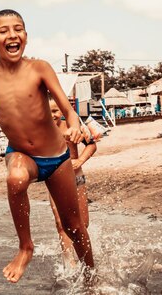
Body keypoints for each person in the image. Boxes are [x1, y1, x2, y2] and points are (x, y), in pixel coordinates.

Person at [0, 9, 94, 283]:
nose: (12, 35)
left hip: (57, 160)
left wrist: (74, 123)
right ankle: (25, 247)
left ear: (26, 36)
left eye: (18, 29)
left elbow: (66, 107)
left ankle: (93, 278)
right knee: (16, 177)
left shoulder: (39, 68)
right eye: (3, 31)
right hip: (23, 155)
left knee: (74, 228)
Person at [48, 99, 97, 266]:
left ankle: (84, 258)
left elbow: (91, 145)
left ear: (62, 111)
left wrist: (80, 160)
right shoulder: (41, 131)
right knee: (61, 223)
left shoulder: (72, 127)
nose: (52, 115)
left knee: (83, 223)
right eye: (48, 111)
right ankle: (69, 263)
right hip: (54, 180)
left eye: (55, 111)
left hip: (76, 177)